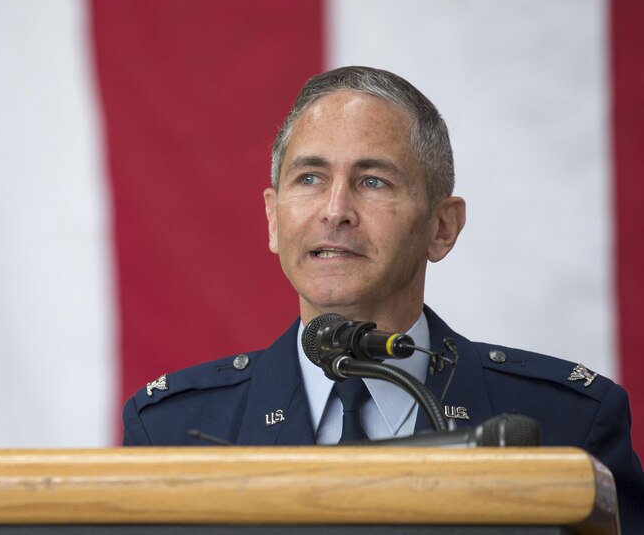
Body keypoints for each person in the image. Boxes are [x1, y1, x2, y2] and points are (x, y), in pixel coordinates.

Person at [121, 66, 644, 530]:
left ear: (442, 227)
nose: (335, 210)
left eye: (373, 181)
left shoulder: (568, 424)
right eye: (310, 178)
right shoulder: (171, 432)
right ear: (273, 219)